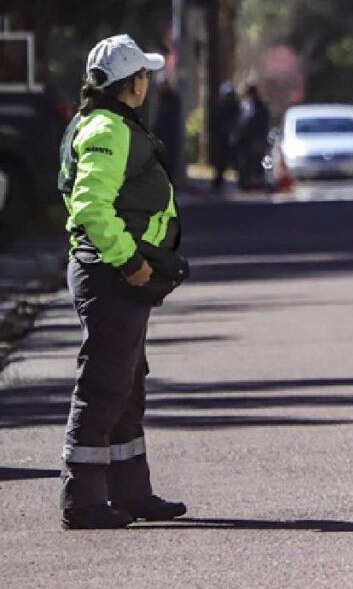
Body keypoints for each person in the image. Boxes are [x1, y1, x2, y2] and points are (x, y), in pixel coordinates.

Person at [56, 34, 189, 530]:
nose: (148, 83)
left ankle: (131, 492)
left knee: (127, 384)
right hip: (110, 273)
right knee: (104, 384)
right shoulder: (107, 129)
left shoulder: (106, 123)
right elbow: (92, 206)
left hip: (113, 273)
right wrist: (130, 261)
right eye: (144, 75)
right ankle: (82, 500)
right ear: (129, 83)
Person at [151, 72, 184, 183]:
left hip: (171, 139)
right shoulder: (160, 99)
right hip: (161, 138)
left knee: (170, 166)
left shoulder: (174, 98)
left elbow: (169, 121)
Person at [237, 83, 270, 190]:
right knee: (244, 163)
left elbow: (262, 124)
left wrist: (260, 139)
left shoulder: (260, 107)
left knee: (257, 162)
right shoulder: (244, 106)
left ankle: (257, 182)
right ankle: (245, 183)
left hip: (256, 139)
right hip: (245, 140)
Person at [211, 81, 239, 193]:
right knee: (220, 163)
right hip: (222, 138)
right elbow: (214, 123)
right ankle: (217, 184)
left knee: (237, 162)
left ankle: (242, 183)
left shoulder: (235, 107)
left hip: (233, 138)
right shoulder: (219, 107)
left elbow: (238, 121)